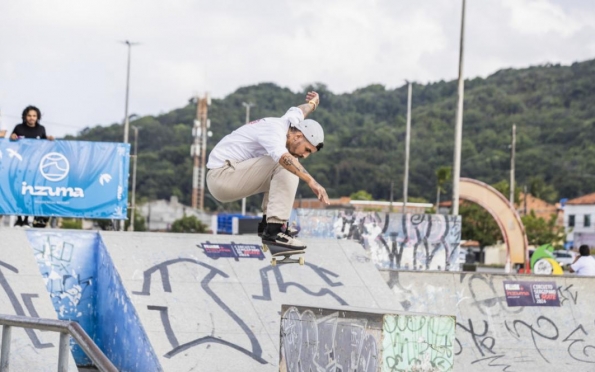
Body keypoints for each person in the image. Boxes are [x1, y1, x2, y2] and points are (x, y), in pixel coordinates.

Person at [206, 91, 329, 250]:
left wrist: (312, 104)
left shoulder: (290, 122)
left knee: (284, 166)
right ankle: (274, 231)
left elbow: (300, 110)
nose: (305, 155)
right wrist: (311, 181)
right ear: (298, 136)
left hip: (230, 174)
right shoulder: (274, 131)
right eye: (307, 150)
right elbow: (285, 159)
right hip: (222, 176)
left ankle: (267, 225)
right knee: (286, 164)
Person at [10, 105, 55, 227]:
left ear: (37, 117)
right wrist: (12, 137)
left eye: (34, 116)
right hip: (20, 165)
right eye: (29, 115)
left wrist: (49, 138)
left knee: (31, 191)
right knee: (19, 191)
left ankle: (29, 218)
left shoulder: (41, 129)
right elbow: (11, 141)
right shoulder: (18, 128)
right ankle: (20, 219)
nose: (31, 118)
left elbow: (45, 142)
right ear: (25, 116)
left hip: (35, 166)